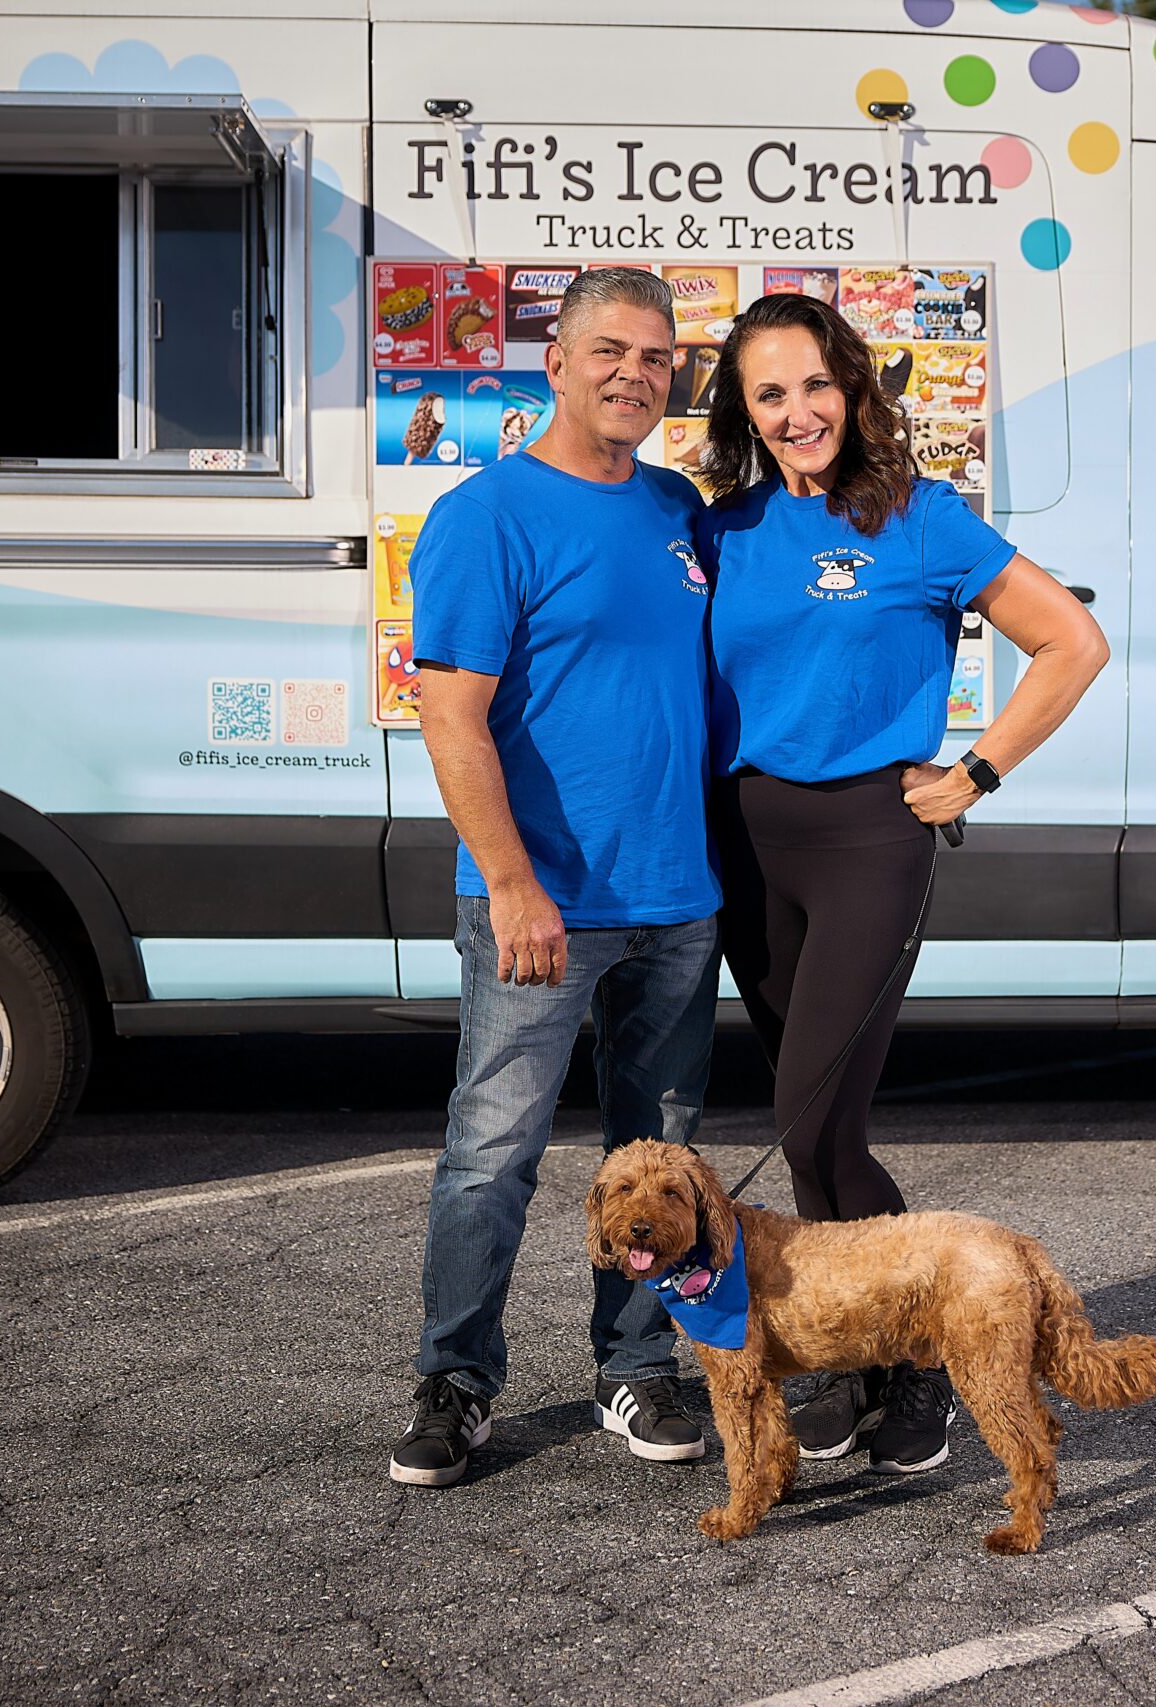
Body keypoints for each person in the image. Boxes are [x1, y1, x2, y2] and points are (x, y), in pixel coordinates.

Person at [696, 290, 1109, 1475]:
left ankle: (915, 1365)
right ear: (745, 410)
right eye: (767, 393)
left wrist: (978, 767)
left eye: (814, 385)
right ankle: (865, 1357)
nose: (795, 411)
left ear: (853, 388)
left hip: (870, 845)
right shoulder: (721, 532)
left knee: (812, 1121)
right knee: (816, 1139)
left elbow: (1071, 641)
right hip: (745, 848)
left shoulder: (924, 521)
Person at [389, 269, 722, 1488]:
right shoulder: (487, 518)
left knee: (661, 1158)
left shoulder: (678, 510)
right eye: (611, 351)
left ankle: (637, 1371)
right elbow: (451, 720)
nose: (638, 372)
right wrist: (514, 883)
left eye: (658, 355)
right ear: (557, 362)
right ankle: (455, 1382)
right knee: (493, 1155)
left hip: (677, 903)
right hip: (541, 905)